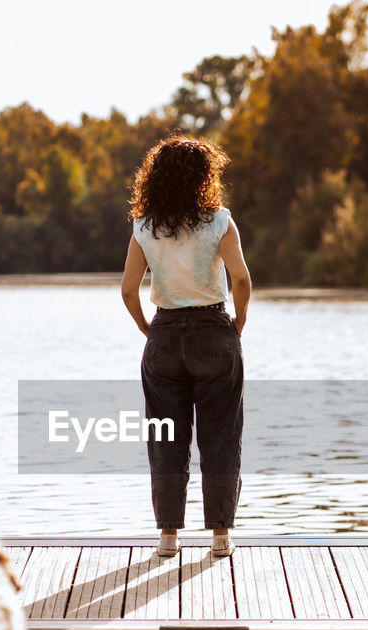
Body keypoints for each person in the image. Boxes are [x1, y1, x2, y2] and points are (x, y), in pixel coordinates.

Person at [120, 136, 251, 559]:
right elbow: (242, 281)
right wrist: (238, 325)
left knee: (165, 438)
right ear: (205, 177)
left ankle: (168, 538)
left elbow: (127, 291)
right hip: (215, 330)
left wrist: (149, 331)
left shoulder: (145, 226)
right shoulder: (219, 221)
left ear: (154, 179)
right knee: (221, 435)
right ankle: (220, 538)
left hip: (163, 336)